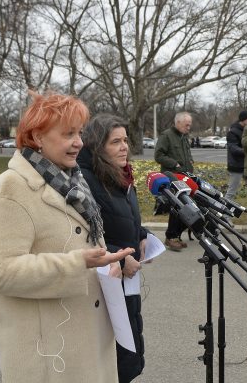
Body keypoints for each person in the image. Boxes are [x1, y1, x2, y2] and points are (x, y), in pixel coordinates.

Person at [0, 93, 133, 382]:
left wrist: (106, 265)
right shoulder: (9, 191)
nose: (79, 142)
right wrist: (76, 265)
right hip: (50, 355)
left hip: (87, 336)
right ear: (37, 136)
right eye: (68, 134)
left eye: (79, 133)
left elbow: (85, 243)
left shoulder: (71, 179)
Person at [78, 114, 150, 382]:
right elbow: (83, 234)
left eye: (126, 140)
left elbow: (126, 218)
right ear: (98, 147)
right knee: (111, 356)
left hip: (125, 281)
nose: (124, 147)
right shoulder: (86, 180)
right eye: (115, 142)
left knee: (127, 348)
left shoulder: (120, 176)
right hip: (103, 283)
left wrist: (142, 235)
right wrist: (120, 258)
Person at [154, 111, 195, 250]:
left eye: (190, 125)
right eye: (186, 125)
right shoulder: (167, 136)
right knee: (177, 208)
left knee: (187, 207)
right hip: (172, 177)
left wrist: (190, 165)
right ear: (178, 122)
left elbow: (187, 155)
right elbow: (158, 155)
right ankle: (171, 236)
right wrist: (174, 164)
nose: (189, 128)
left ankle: (175, 235)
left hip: (185, 177)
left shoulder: (183, 137)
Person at [225, 110, 247, 201]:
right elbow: (233, 148)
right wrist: (246, 151)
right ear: (243, 120)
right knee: (231, 192)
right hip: (236, 166)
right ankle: (224, 213)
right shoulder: (233, 132)